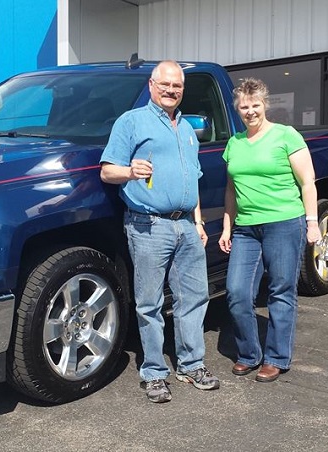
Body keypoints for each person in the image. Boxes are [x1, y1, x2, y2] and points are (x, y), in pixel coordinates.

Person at [100, 60, 220, 403]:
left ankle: (192, 365)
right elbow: (107, 172)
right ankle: (154, 372)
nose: (171, 90)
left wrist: (197, 222)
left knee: (194, 298)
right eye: (165, 84)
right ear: (152, 85)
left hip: (185, 224)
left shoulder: (186, 129)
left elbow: (192, 181)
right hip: (148, 225)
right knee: (149, 303)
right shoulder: (131, 121)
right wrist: (129, 170)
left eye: (177, 86)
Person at [218, 78, 322, 382]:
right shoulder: (234, 143)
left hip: (284, 223)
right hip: (246, 228)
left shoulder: (286, 136)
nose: (250, 111)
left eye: (255, 105)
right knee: (237, 292)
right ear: (237, 109)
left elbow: (307, 182)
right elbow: (230, 189)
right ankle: (249, 353)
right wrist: (227, 226)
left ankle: (276, 357)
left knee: (280, 290)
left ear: (265, 105)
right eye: (244, 107)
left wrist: (312, 222)